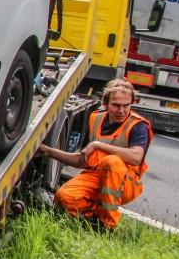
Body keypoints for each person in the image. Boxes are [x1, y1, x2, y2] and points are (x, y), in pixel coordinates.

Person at [37, 79, 153, 229]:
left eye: (126, 106)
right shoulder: (96, 118)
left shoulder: (138, 125)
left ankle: (108, 225)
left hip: (125, 182)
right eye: (116, 105)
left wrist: (98, 145)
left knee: (111, 162)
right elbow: (82, 160)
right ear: (105, 104)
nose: (122, 111)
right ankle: (94, 219)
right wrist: (48, 151)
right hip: (96, 176)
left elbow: (136, 157)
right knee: (63, 197)